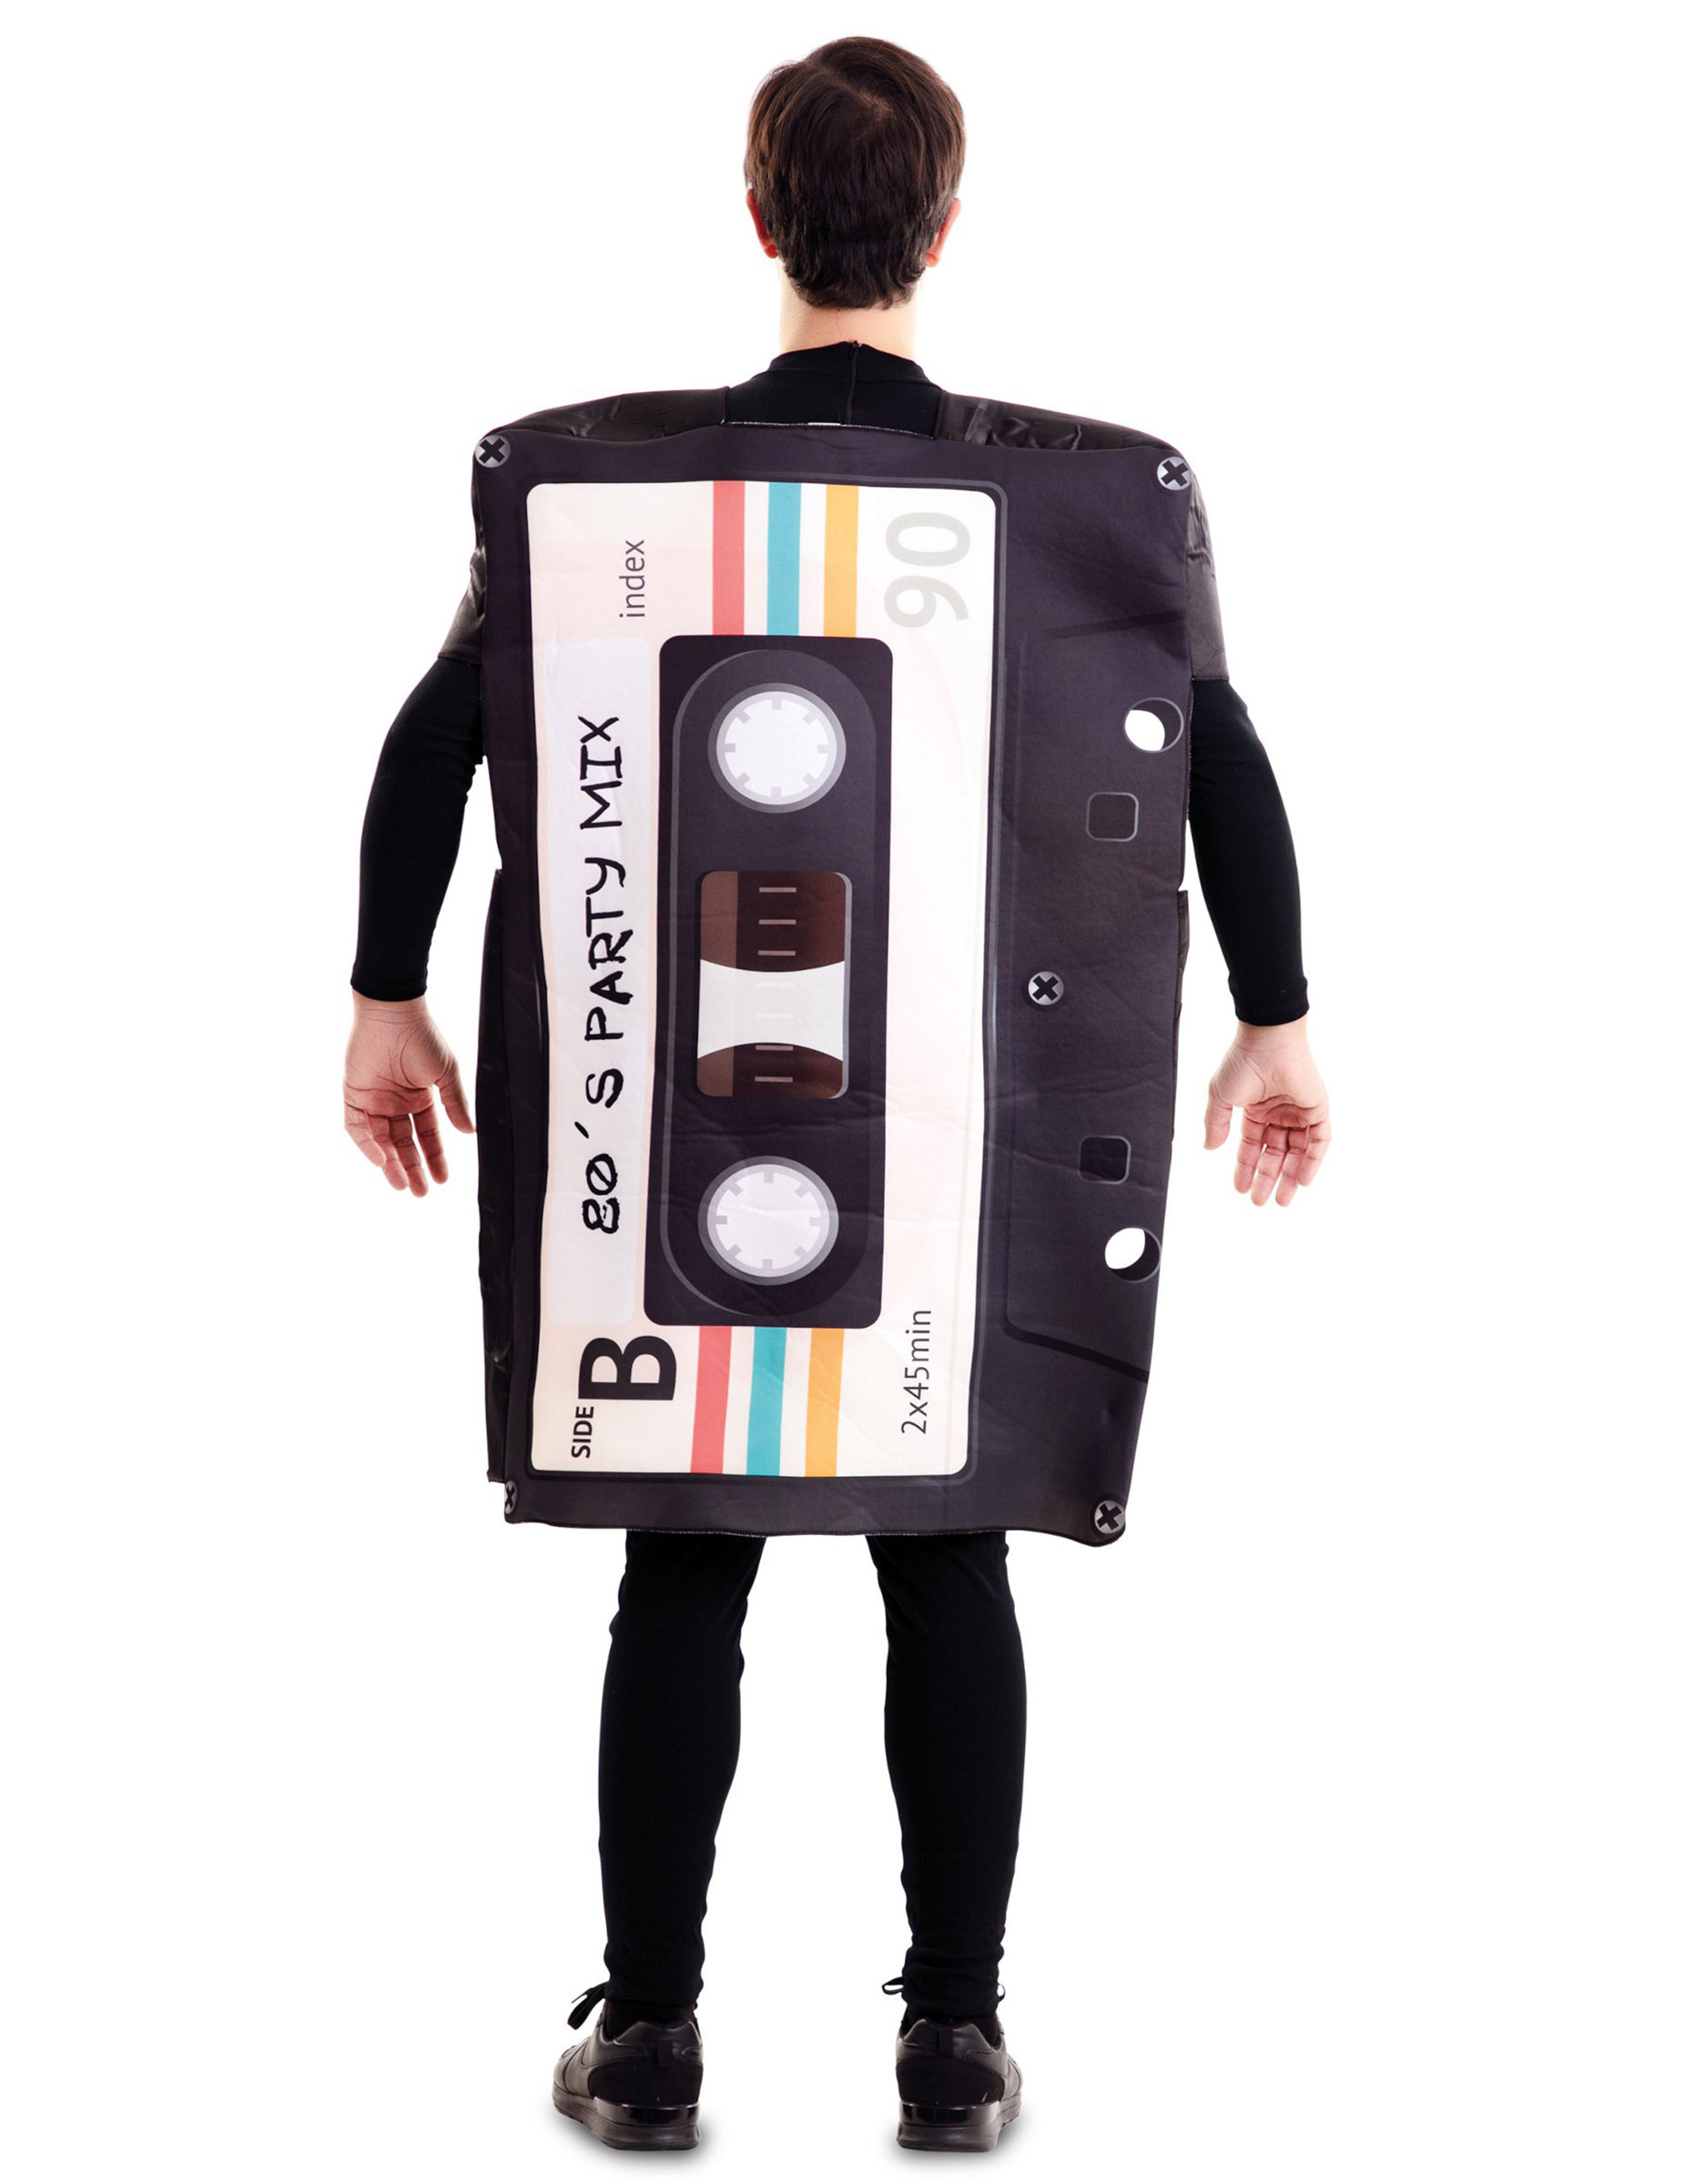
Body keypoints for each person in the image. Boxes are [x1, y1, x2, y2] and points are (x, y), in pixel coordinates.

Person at [342, 35, 1330, 2155]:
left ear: (757, 217)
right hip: (949, 1137)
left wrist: (382, 996)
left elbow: (437, 738)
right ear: (945, 229)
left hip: (659, 1139)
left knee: (681, 1565)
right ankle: (953, 2043)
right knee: (943, 1555)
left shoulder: (596, 494)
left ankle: (652, 2040)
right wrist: (1278, 1013)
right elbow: (1216, 751)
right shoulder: (1091, 501)